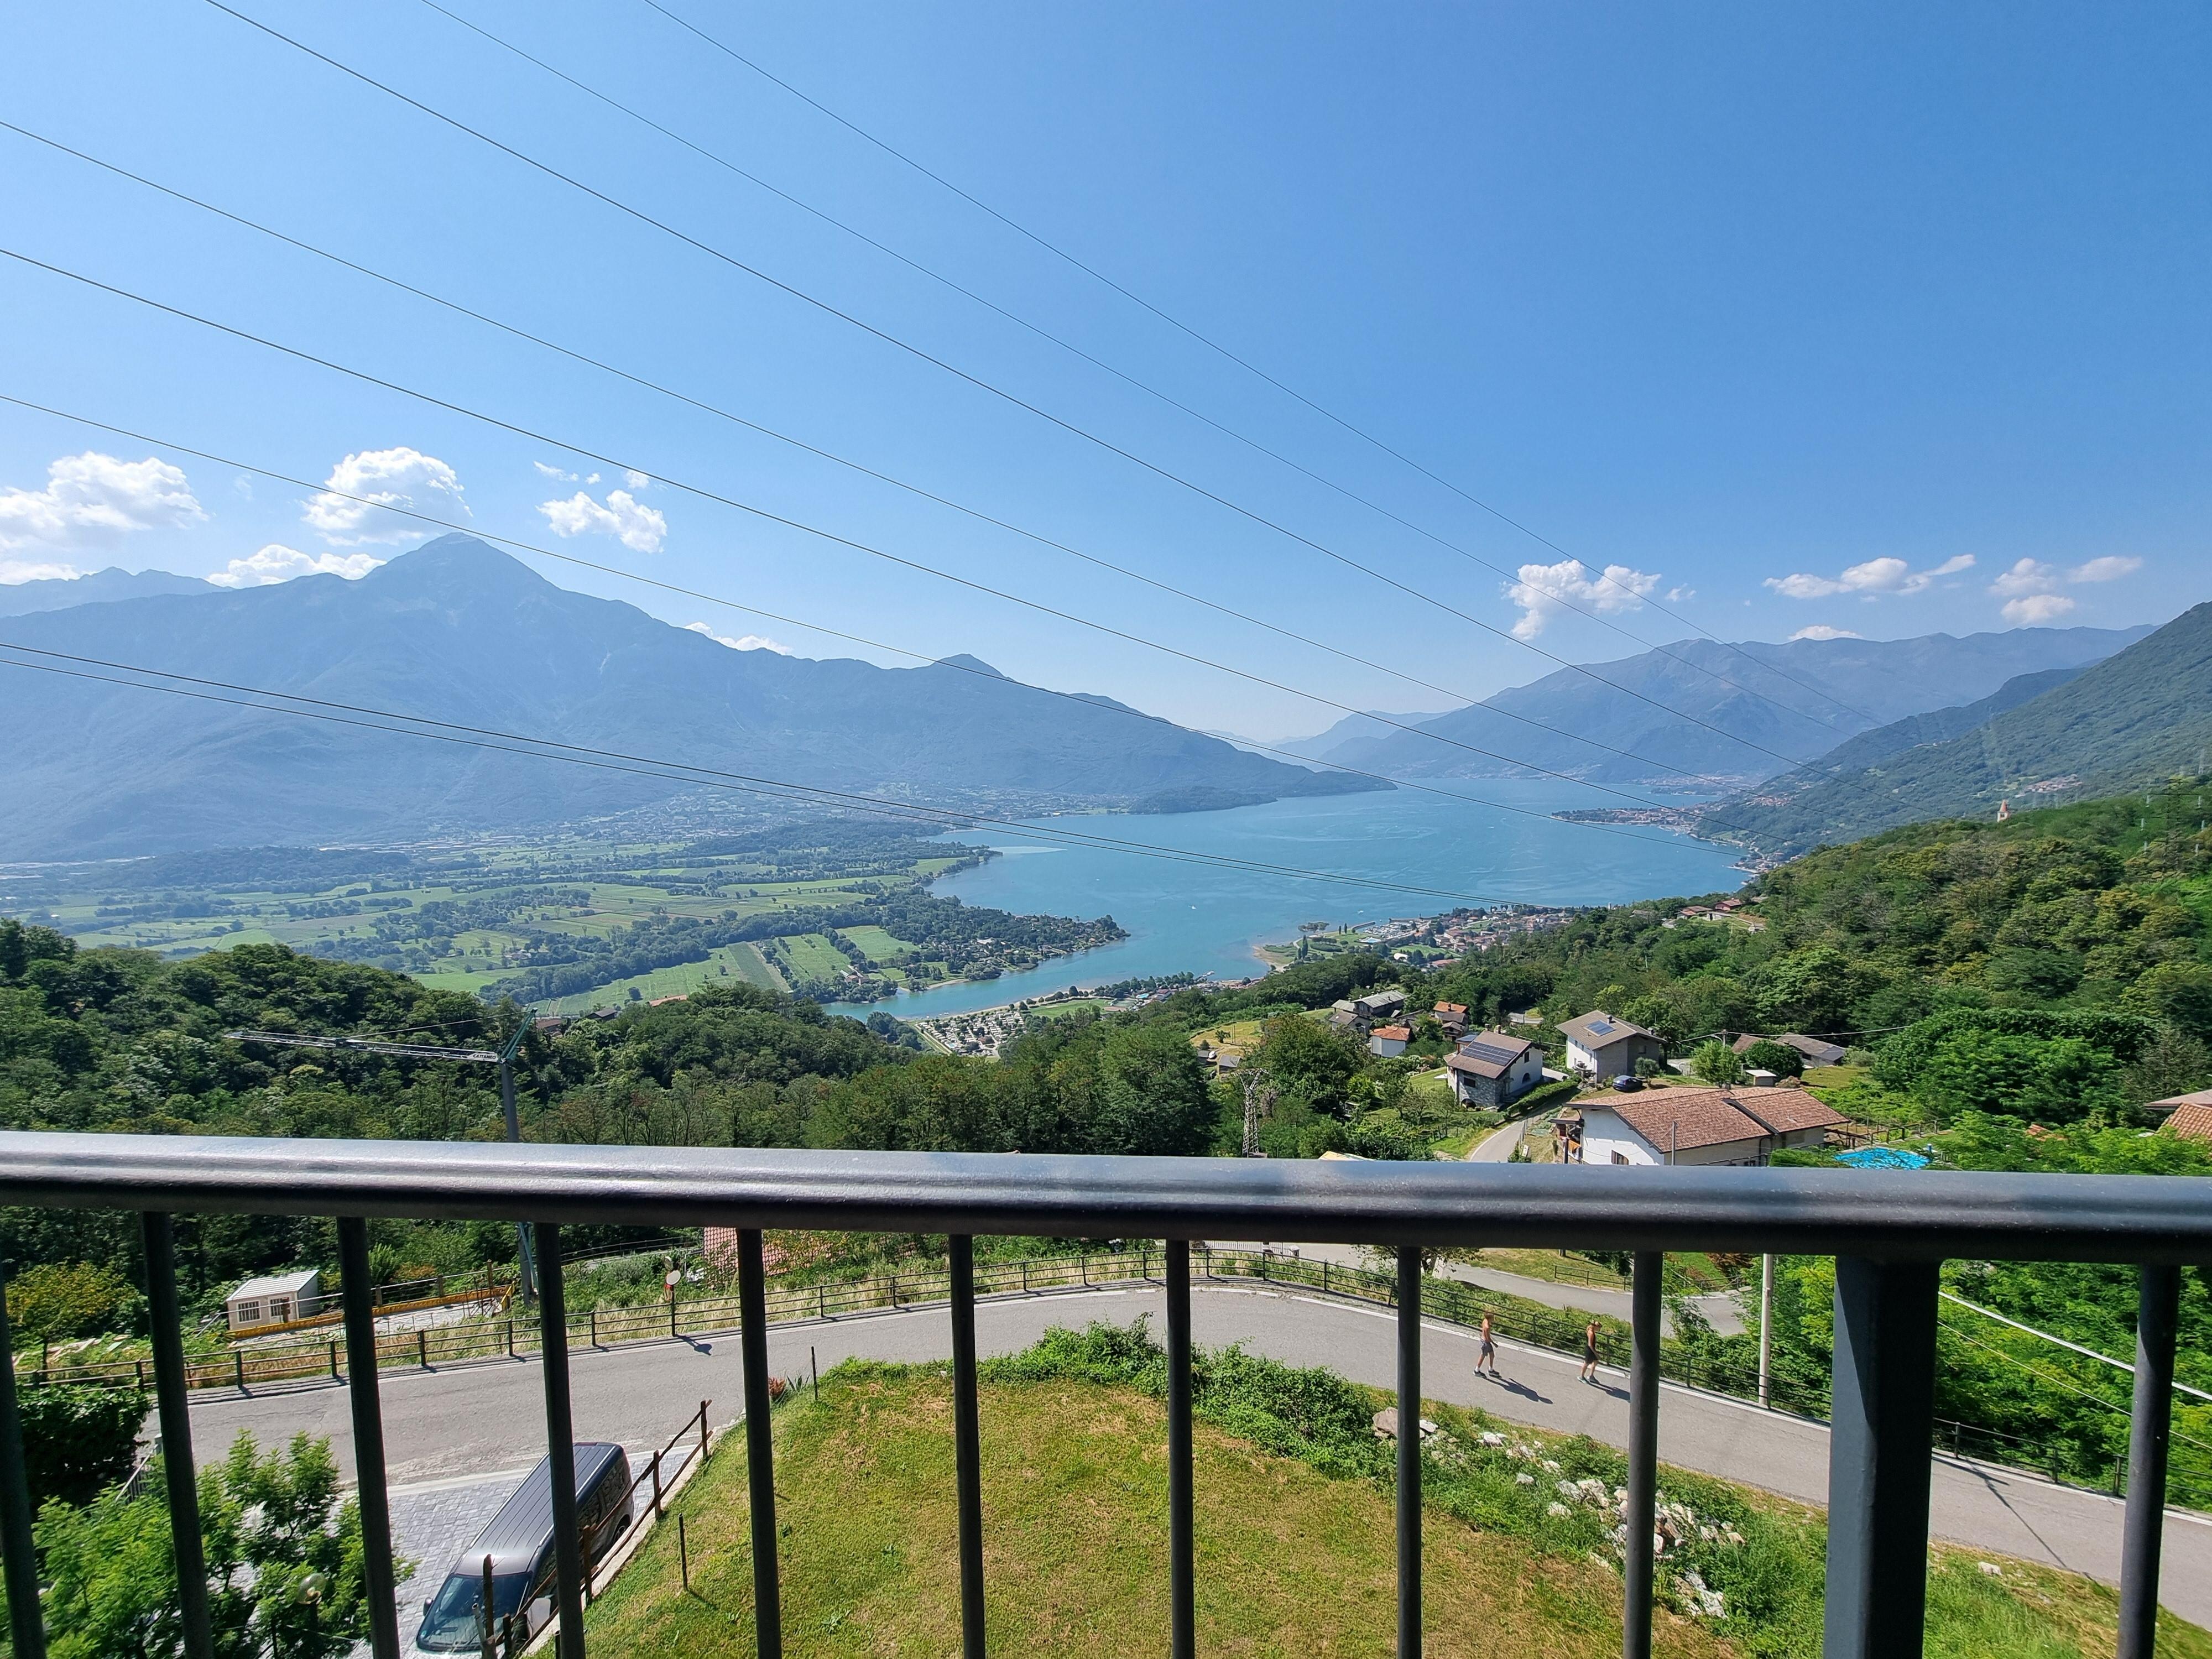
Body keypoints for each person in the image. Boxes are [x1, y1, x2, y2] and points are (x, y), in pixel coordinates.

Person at [1477, 1310, 1498, 1378]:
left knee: (1492, 1355)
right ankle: (1477, 1370)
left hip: (1485, 1341)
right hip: (1486, 1343)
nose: (1494, 1319)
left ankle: (1490, 1369)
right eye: (1493, 1318)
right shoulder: (1487, 1327)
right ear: (1490, 1318)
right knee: (1483, 1356)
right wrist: (1494, 1344)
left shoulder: (1485, 1321)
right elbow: (1488, 1338)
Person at [1580, 1318, 1602, 1383]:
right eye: (1599, 1328)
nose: (1599, 1330)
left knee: (1596, 1361)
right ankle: (1582, 1376)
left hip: (1592, 1349)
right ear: (1596, 1327)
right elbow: (1590, 1344)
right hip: (1590, 1350)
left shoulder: (1591, 1330)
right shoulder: (1591, 1333)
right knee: (1586, 1363)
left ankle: (1591, 1376)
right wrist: (1595, 1353)